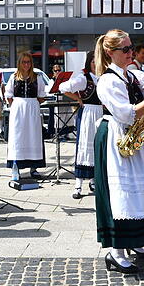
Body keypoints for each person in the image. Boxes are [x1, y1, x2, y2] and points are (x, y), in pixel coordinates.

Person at [93, 29, 144, 274]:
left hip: (132, 137)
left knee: (136, 192)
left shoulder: (135, 76)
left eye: (131, 47)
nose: (130, 53)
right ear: (110, 52)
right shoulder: (107, 80)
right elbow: (126, 113)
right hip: (115, 137)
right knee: (118, 193)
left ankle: (136, 241)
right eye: (125, 49)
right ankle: (115, 252)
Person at [60, 51, 100, 199]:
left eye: (99, 61)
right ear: (89, 63)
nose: (96, 64)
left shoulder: (104, 78)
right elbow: (63, 87)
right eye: (94, 61)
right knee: (84, 148)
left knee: (97, 147)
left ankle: (94, 180)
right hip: (88, 114)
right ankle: (78, 185)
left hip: (101, 114)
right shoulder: (84, 78)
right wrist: (78, 98)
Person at [5, 52, 47, 181]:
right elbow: (9, 95)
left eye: (28, 62)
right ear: (20, 63)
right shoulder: (14, 77)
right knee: (17, 136)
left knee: (33, 136)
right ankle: (15, 167)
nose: (26, 64)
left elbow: (41, 95)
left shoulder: (37, 77)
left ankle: (33, 168)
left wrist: (32, 104)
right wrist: (18, 105)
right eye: (24, 62)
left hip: (32, 108)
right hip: (18, 108)